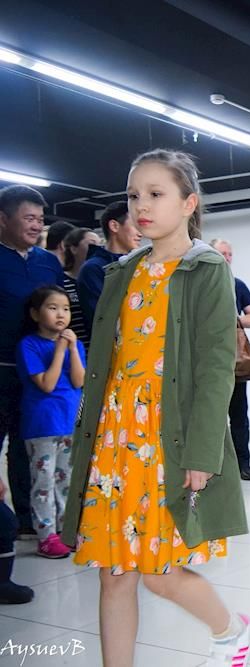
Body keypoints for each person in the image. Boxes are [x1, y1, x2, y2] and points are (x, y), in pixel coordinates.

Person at [62, 149, 250, 667]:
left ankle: (232, 630)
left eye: (155, 194)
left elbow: (216, 368)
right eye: (133, 196)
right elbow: (106, 360)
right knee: (113, 573)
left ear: (188, 203)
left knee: (159, 573)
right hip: (115, 437)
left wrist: (202, 452)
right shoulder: (122, 271)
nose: (140, 207)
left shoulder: (206, 269)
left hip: (166, 438)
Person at [0, 185, 64, 537]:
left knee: (29, 446)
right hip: (2, 368)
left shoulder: (48, 263)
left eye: (40, 219)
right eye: (29, 218)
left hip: (39, 373)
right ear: (3, 219)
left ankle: (28, 520)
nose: (37, 225)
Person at [16, 286, 85, 559]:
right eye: (52, 308)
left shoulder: (75, 344)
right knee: (43, 482)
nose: (61, 314)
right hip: (42, 425)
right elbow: (47, 384)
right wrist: (59, 351)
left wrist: (73, 349)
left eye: (66, 309)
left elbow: (79, 381)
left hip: (70, 423)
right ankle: (46, 536)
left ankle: (66, 531)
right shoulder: (29, 345)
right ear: (35, 314)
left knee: (66, 480)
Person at [210, 239, 250, 481]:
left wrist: (234, 319)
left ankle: (244, 464)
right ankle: (213, 465)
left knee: (239, 414)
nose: (227, 257)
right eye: (223, 253)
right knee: (212, 415)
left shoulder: (237, 285)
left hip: (234, 359)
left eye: (230, 254)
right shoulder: (203, 285)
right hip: (208, 359)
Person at [78, 201, 143, 336]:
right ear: (114, 226)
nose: (140, 233)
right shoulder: (93, 269)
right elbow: (102, 319)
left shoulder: (140, 264)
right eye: (135, 225)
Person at [60, 227, 102, 348]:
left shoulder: (99, 279)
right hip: (71, 349)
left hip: (96, 347)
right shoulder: (61, 281)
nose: (97, 249)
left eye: (100, 245)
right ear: (74, 249)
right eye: (91, 244)